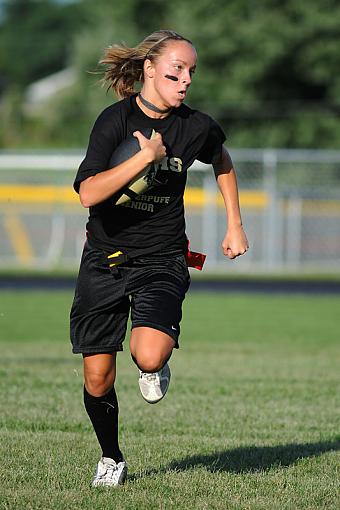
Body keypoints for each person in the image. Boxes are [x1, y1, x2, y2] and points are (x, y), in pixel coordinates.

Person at [70, 29, 249, 487]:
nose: (186, 80)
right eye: (177, 71)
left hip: (164, 259)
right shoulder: (114, 120)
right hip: (104, 260)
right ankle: (111, 457)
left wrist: (235, 223)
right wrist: (144, 156)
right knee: (96, 378)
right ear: (149, 70)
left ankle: (158, 358)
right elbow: (88, 193)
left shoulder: (195, 127)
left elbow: (222, 160)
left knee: (147, 358)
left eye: (191, 72)